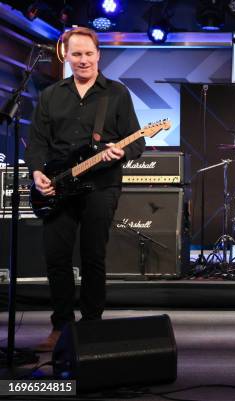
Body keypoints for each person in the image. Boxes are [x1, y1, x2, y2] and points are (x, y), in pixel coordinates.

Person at [24, 27, 145, 352]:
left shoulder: (116, 93)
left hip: (101, 185)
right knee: (57, 258)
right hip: (58, 187)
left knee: (94, 256)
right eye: (76, 54)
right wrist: (37, 172)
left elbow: (138, 140)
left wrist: (122, 151)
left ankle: (91, 327)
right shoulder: (51, 95)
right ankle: (61, 327)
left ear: (98, 54)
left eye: (88, 53)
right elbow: (37, 142)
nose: (83, 60)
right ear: (66, 56)